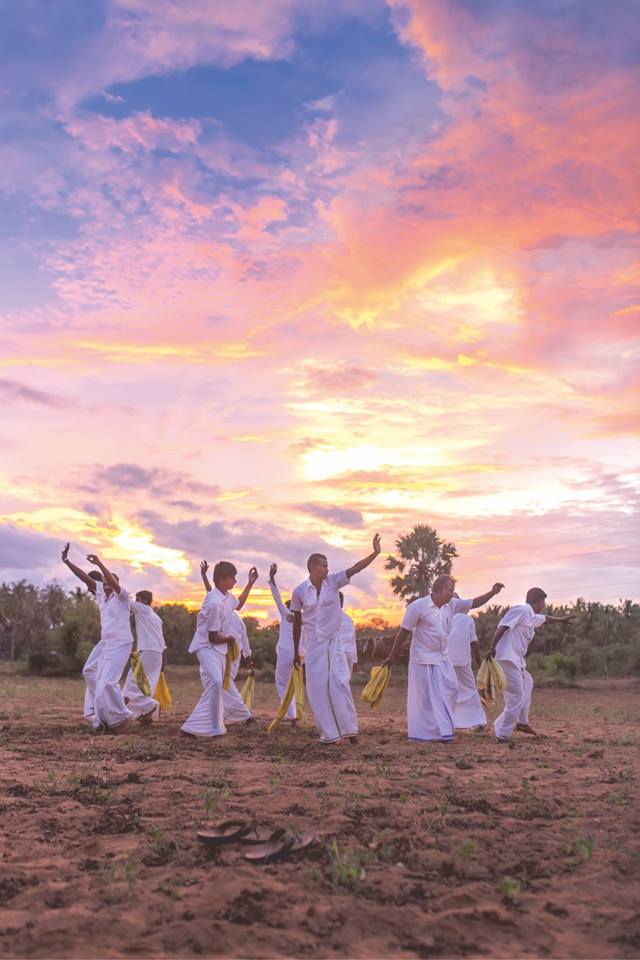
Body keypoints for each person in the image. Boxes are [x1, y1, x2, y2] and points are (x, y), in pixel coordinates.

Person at [382, 575, 503, 742]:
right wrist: (392, 656)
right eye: (450, 591)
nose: (452, 594)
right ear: (439, 590)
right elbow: (403, 632)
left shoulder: (451, 605)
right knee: (427, 698)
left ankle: (442, 728)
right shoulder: (418, 606)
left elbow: (473, 603)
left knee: (452, 688)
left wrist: (492, 593)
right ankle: (437, 733)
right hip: (423, 659)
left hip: (442, 658)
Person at [290, 534, 381, 744]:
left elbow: (355, 568)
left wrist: (375, 553)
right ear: (311, 567)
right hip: (314, 646)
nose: (327, 569)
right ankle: (329, 734)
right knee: (317, 689)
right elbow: (297, 623)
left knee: (339, 683)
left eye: (327, 565)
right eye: (323, 566)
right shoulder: (299, 592)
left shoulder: (333, 582)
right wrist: (296, 652)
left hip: (334, 643)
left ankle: (351, 732)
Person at [181, 561, 257, 739]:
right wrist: (230, 638)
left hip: (220, 649)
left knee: (217, 685)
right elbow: (212, 637)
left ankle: (201, 727)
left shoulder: (226, 596)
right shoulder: (214, 602)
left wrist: (250, 583)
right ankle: (210, 728)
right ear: (222, 580)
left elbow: (238, 604)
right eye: (232, 578)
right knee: (215, 683)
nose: (234, 582)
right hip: (207, 647)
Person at [487, 588, 573, 742]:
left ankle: (521, 722)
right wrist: (492, 648)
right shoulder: (521, 610)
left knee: (528, 682)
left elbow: (545, 619)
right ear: (539, 601)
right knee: (516, 695)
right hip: (506, 658)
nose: (544, 605)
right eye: (543, 602)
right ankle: (502, 733)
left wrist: (561, 619)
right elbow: (503, 626)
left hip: (516, 661)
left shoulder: (531, 616)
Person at [86, 553, 158, 732]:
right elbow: (87, 581)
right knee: (104, 683)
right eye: (104, 584)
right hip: (111, 645)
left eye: (109, 583)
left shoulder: (123, 597)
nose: (107, 586)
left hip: (125, 645)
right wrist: (67, 561)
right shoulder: (104, 599)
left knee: (112, 684)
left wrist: (100, 563)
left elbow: (113, 584)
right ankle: (106, 717)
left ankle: (124, 715)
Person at [61, 543, 105, 723]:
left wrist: (66, 560)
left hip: (113, 641)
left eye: (89, 584)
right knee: (95, 673)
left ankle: (109, 703)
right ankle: (91, 712)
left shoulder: (102, 589)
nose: (87, 589)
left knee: (90, 671)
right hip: (107, 639)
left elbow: (83, 578)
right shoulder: (103, 594)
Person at [122, 591, 166, 721]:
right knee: (146, 685)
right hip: (157, 653)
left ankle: (149, 705)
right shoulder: (157, 617)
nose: (136, 601)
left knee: (133, 681)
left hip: (147, 651)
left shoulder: (143, 609)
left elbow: (124, 601)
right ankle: (144, 713)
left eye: (138, 599)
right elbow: (162, 640)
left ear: (145, 601)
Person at [268, 563, 299, 723]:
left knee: (282, 683)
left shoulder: (286, 613)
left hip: (286, 652)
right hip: (301, 654)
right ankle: (295, 713)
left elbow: (276, 597)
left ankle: (291, 715)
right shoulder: (306, 617)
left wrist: (272, 578)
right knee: (295, 685)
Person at [448, 612, 486, 730]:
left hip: (445, 661)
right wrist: (480, 663)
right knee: (471, 689)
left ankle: (448, 721)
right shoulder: (467, 619)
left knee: (447, 690)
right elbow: (473, 642)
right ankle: (477, 721)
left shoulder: (442, 615)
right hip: (462, 660)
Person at [222, 609, 255, 725]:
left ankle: (245, 715)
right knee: (223, 686)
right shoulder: (238, 619)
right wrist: (249, 659)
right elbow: (245, 639)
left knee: (225, 683)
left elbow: (244, 639)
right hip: (236, 656)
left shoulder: (224, 613)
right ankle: (224, 716)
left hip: (227, 655)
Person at [338, 592, 358, 674]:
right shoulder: (348, 619)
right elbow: (352, 641)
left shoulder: (327, 618)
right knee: (344, 683)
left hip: (336, 654)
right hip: (348, 654)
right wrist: (355, 659)